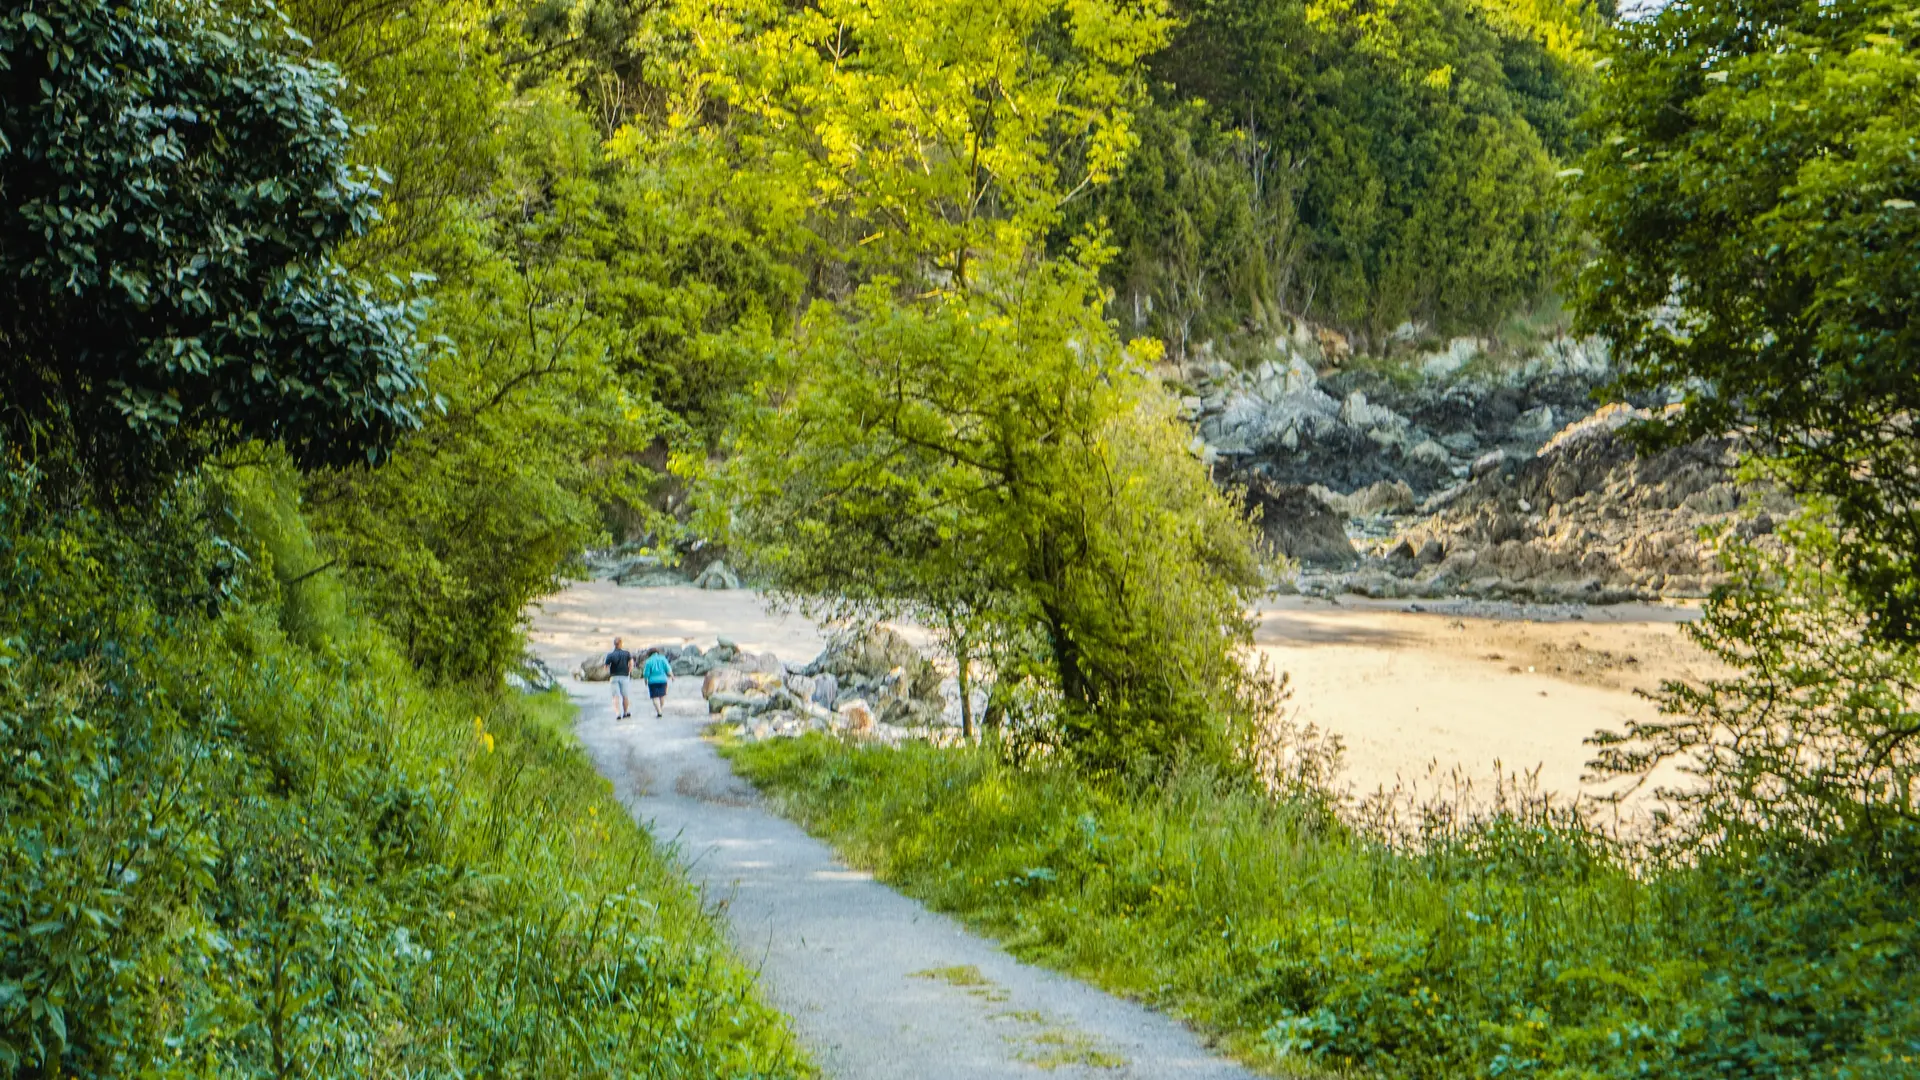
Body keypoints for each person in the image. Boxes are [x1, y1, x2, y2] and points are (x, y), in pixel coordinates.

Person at [604, 637, 635, 720]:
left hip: (614, 677)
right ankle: (625, 712)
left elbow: (606, 667)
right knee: (625, 696)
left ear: (614, 644)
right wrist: (629, 671)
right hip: (624, 676)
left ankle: (617, 713)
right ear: (621, 643)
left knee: (615, 696)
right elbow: (631, 664)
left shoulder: (610, 655)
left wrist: (610, 672)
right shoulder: (627, 653)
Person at [641, 647, 672, 718]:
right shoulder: (663, 658)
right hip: (663, 680)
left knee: (654, 697)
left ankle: (659, 712)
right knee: (662, 696)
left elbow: (646, 673)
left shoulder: (649, 661)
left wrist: (645, 680)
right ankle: (660, 708)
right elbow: (668, 668)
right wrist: (672, 676)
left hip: (652, 681)